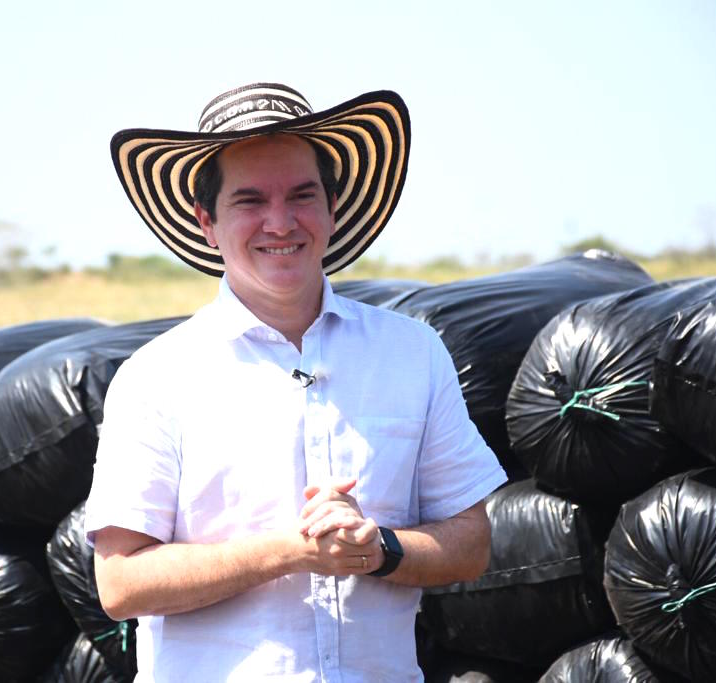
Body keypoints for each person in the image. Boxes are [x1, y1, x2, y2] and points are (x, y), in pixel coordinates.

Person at [85, 82, 507, 682]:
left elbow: (471, 542)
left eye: (302, 195)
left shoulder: (412, 353)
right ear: (207, 221)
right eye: (250, 201)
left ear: (332, 208)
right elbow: (121, 582)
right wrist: (288, 552)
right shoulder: (156, 377)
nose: (279, 222)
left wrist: (379, 548)